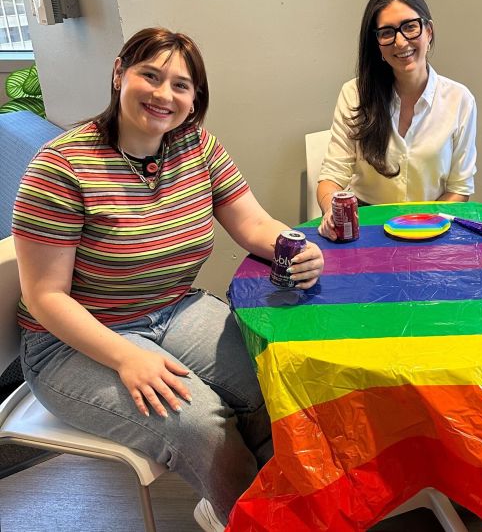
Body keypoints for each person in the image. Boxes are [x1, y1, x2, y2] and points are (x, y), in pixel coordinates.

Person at [12, 28, 323, 532]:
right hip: (71, 343)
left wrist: (296, 245)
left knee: (277, 382)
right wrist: (127, 356)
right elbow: (44, 297)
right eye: (150, 76)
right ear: (119, 73)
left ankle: (257, 508)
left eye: (181, 85)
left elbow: (252, 223)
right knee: (201, 427)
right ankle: (247, 518)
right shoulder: (62, 166)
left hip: (174, 307)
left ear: (194, 99)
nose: (163, 95)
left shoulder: (196, 146)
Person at [316, 0, 477, 240]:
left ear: (429, 31)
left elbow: (460, 188)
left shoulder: (460, 100)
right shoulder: (354, 94)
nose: (401, 42)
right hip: (365, 229)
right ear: (377, 43)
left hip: (431, 228)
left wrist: (425, 227)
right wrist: (330, 210)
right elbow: (331, 177)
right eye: (387, 32)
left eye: (410, 27)